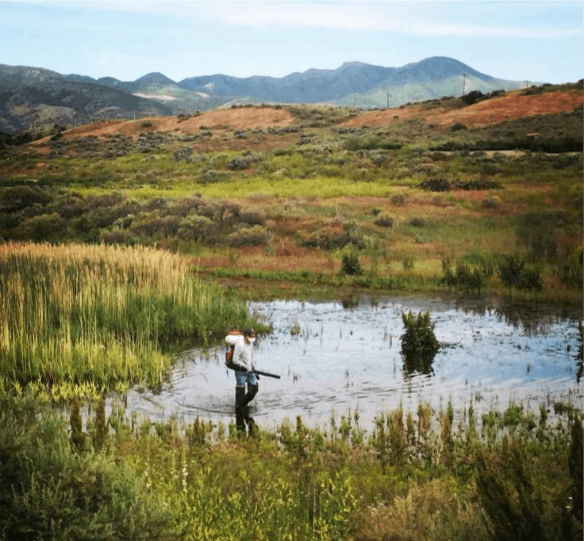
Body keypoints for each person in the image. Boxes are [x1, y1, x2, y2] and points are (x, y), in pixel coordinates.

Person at [225, 327, 259, 411]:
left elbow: (251, 357)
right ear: (246, 336)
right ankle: (239, 409)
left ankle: (243, 404)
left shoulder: (250, 343)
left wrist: (253, 368)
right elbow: (235, 360)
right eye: (251, 336)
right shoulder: (240, 344)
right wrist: (244, 366)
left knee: (254, 389)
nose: (252, 338)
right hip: (241, 372)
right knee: (240, 391)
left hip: (250, 371)